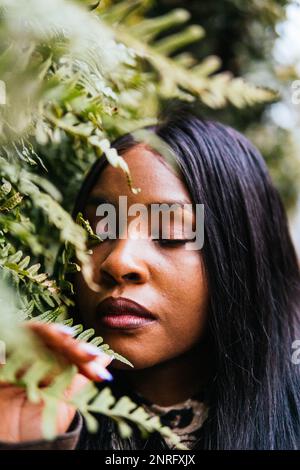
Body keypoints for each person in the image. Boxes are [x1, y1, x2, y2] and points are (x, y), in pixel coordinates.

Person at [0, 109, 299, 450]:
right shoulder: (34, 405)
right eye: (100, 227)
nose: (118, 260)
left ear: (242, 253)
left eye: (169, 232)